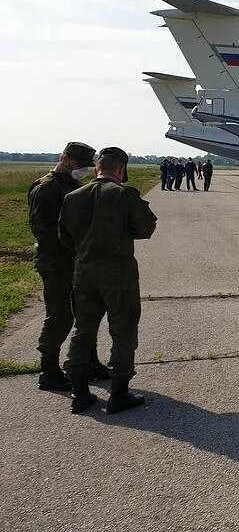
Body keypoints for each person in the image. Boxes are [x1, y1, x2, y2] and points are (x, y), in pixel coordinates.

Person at [59, 147, 158, 414]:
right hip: (118, 276)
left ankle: (79, 393)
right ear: (121, 170)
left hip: (84, 273)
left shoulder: (72, 197)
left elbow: (64, 237)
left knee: (83, 331)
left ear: (96, 169)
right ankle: (119, 393)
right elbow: (146, 228)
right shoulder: (124, 195)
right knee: (123, 332)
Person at [28, 142, 108, 391]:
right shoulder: (47, 188)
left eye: (86, 167)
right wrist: (79, 241)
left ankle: (88, 362)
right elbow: (44, 230)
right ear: (64, 158)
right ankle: (49, 369)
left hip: (77, 261)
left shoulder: (72, 186)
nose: (82, 170)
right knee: (60, 315)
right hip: (56, 262)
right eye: (78, 165)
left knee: (87, 313)